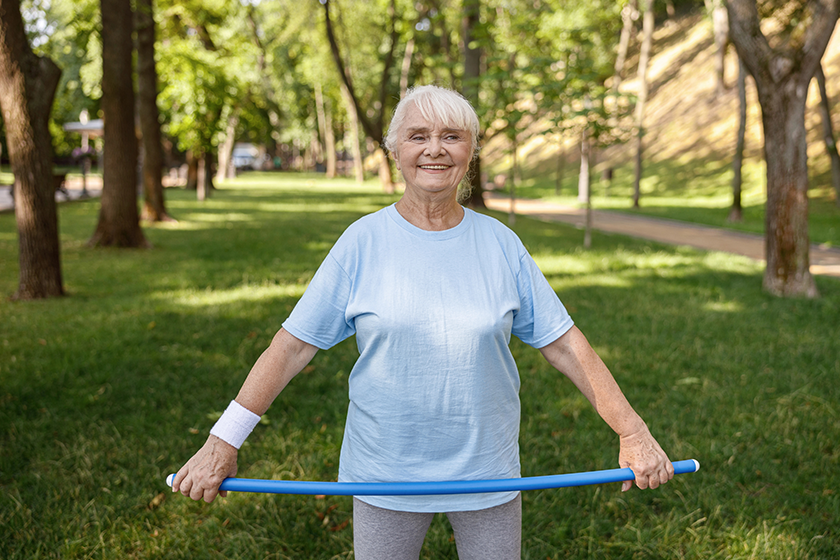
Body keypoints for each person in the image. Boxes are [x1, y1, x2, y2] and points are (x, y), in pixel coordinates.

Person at [171, 85, 674, 559]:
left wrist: (632, 431)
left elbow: (564, 344)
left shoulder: (500, 244)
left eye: (451, 136)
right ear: (395, 150)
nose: (435, 150)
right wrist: (223, 442)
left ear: (470, 152)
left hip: (487, 471)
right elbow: (290, 349)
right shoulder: (361, 242)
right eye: (419, 136)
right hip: (385, 473)